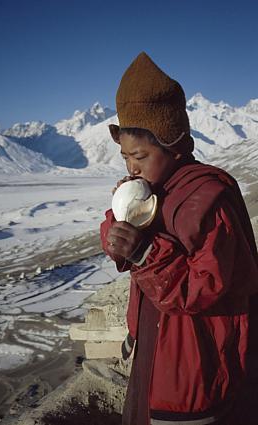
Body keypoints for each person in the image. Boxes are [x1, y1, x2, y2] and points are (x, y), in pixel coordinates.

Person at [100, 52, 258, 425]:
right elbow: (122, 249)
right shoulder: (153, 189)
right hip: (155, 345)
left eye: (140, 155)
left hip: (192, 355)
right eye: (125, 158)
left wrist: (144, 251)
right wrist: (121, 218)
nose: (131, 167)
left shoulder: (206, 200)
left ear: (172, 144)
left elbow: (206, 286)